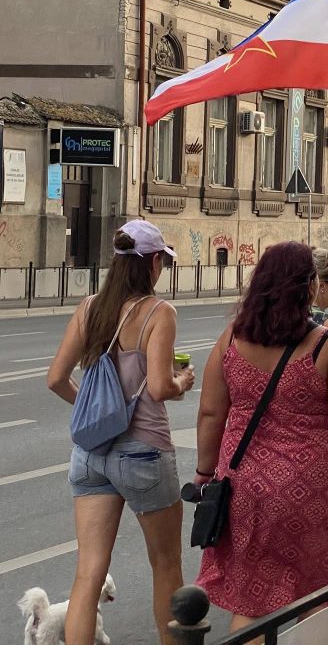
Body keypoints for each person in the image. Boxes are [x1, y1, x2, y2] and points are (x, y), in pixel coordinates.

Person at [195, 242, 328, 630]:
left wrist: (204, 472)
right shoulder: (327, 346)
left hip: (244, 487)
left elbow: (210, 412)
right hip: (311, 491)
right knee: (320, 595)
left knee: (252, 600)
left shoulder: (232, 339)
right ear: (309, 287)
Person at [48, 220, 193, 645]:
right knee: (166, 565)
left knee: (88, 572)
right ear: (152, 262)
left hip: (90, 453)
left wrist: (99, 413)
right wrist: (183, 382)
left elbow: (55, 378)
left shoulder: (89, 308)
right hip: (144, 452)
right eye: (163, 262)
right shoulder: (158, 312)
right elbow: (160, 387)